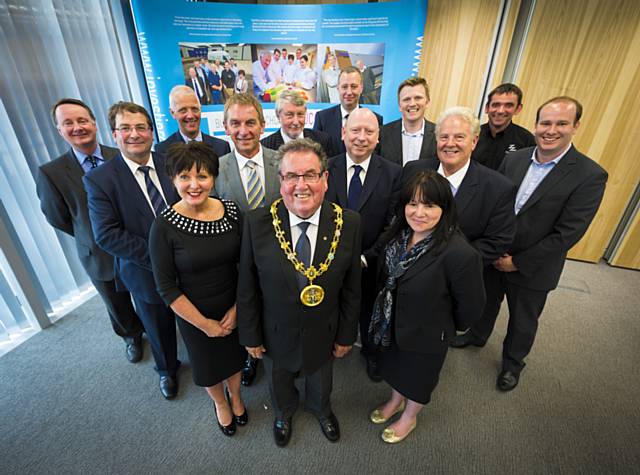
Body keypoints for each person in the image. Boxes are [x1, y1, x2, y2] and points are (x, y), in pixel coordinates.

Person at [451, 97, 608, 391]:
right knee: (485, 302)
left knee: (523, 320)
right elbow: (495, 203)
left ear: (576, 126)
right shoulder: (515, 159)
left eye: (561, 123)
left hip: (533, 266)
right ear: (535, 125)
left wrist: (517, 262)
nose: (551, 130)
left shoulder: (589, 175)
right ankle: (476, 336)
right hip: (495, 253)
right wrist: (493, 248)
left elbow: (568, 233)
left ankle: (512, 364)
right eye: (545, 123)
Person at [237, 138, 362, 447]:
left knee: (321, 379)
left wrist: (346, 335)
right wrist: (250, 336)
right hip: (275, 331)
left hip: (325, 329)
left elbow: (352, 287)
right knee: (279, 381)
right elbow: (247, 285)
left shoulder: (348, 223)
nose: (301, 185)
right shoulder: (258, 223)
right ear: (280, 182)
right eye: (291, 176)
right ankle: (284, 413)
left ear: (325, 179)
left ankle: (321, 409)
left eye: (310, 175)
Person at [369, 170, 485, 443]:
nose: (419, 212)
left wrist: (445, 329)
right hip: (394, 325)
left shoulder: (459, 253)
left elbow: (471, 306)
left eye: (429, 205)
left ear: (445, 209)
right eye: (413, 203)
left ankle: (409, 416)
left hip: (429, 334)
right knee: (396, 368)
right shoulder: (398, 236)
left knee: (418, 379)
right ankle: (395, 400)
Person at [149, 142, 247, 436]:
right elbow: (165, 286)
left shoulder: (231, 211)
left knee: (234, 359)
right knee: (207, 367)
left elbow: (247, 263)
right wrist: (204, 325)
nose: (194, 185)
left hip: (233, 304)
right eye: (185, 177)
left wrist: (239, 308)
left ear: (214, 178)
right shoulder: (163, 226)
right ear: (173, 179)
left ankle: (237, 396)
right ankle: (220, 404)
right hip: (194, 313)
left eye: (202, 176)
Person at [84, 101, 180, 399]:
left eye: (141, 127)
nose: (134, 134)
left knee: (197, 317)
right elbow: (107, 235)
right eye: (126, 128)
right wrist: (161, 258)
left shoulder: (172, 162)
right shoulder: (99, 179)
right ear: (114, 134)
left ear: (151, 131)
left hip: (190, 263)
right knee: (158, 324)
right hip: (144, 270)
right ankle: (167, 370)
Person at [37, 98, 144, 363]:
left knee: (144, 293)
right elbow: (57, 217)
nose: (77, 127)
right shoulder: (50, 172)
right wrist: (90, 234)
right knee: (115, 302)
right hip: (97, 252)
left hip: (133, 242)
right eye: (68, 123)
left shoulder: (121, 154)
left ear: (95, 124)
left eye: (82, 120)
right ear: (59, 130)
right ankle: (131, 336)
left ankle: (153, 328)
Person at [325, 108, 401, 382]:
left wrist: (367, 256)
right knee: (330, 308)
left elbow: (393, 223)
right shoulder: (324, 168)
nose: (361, 137)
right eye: (355, 130)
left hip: (372, 262)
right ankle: (327, 348)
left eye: (369, 132)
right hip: (328, 261)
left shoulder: (393, 173)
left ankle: (370, 353)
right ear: (343, 133)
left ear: (378, 138)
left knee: (369, 311)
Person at [216, 93, 281, 386]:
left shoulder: (282, 162)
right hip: (235, 262)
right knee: (246, 308)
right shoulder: (215, 169)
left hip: (280, 258)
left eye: (250, 122)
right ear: (226, 127)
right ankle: (249, 357)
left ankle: (278, 352)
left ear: (263, 125)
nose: (244, 130)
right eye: (236, 123)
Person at [402, 107, 516, 268]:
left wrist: (445, 262)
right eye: (444, 137)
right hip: (408, 268)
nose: (450, 143)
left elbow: (497, 240)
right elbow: (397, 217)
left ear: (474, 141)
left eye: (459, 137)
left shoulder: (498, 188)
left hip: (459, 275)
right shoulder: (412, 171)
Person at [313, 66, 383, 155]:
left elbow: (378, 155)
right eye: (344, 87)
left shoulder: (376, 120)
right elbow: (315, 154)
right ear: (338, 88)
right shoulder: (322, 118)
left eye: (354, 86)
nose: (349, 92)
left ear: (361, 88)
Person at [472, 83, 535, 170]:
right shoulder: (472, 134)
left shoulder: (527, 141)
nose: (500, 111)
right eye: (496, 105)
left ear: (518, 109)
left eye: (508, 105)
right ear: (487, 108)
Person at [156, 86, 230, 158]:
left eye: (194, 109)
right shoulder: (163, 151)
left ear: (200, 109)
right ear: (172, 113)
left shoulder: (222, 148)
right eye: (183, 110)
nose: (190, 116)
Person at [379, 77, 437, 166]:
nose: (412, 104)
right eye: (406, 99)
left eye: (418, 98)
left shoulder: (439, 135)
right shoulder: (382, 133)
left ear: (427, 102)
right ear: (399, 105)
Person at [261, 90, 334, 157]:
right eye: (289, 115)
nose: (296, 122)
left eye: (300, 114)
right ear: (278, 115)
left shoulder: (322, 141)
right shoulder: (265, 146)